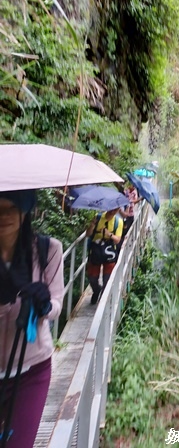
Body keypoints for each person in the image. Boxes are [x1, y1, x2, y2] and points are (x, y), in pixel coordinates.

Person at [0, 189, 64, 448]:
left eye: (10, 209)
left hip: (31, 372)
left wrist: (44, 305)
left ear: (24, 210)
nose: (3, 216)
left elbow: (57, 303)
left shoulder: (48, 250)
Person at [86, 208, 123, 305]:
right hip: (96, 251)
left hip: (109, 252)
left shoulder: (118, 222)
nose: (113, 210)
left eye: (116, 209)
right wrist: (92, 226)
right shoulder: (97, 218)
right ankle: (96, 290)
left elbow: (117, 240)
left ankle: (102, 302)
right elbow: (88, 234)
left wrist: (109, 234)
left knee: (107, 280)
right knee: (92, 278)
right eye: (112, 208)